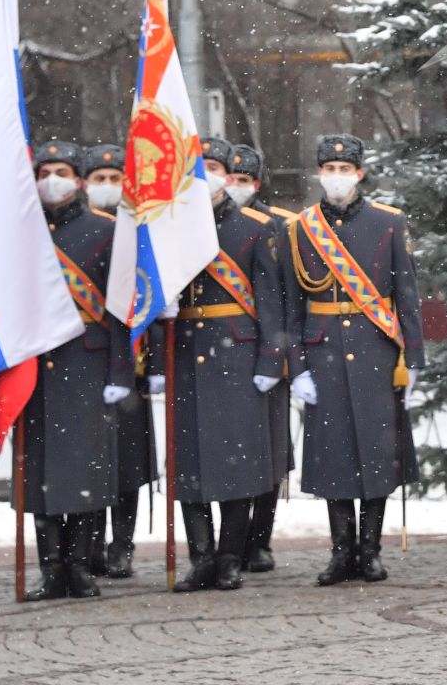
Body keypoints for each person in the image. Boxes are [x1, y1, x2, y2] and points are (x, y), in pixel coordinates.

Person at [285, 134, 423, 585]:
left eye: (346, 169)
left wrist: (413, 358)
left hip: (375, 349)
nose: (337, 177)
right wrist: (297, 364)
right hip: (322, 350)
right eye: (329, 169)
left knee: (377, 452)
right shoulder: (300, 228)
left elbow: (406, 296)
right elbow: (291, 304)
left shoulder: (388, 223)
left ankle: (371, 551)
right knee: (333, 454)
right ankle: (340, 552)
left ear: (359, 173)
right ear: (319, 173)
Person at [153, 137, 285, 592]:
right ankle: (200, 558)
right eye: (195, 167)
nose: (203, 174)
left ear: (228, 176)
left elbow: (271, 301)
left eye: (211, 167)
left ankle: (229, 558)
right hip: (187, 353)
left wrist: (271, 358)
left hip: (239, 355)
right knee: (187, 465)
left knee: (237, 464)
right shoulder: (170, 227)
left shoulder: (255, 228)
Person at [24, 138, 134, 600]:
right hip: (34, 364)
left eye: (63, 173)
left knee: (88, 470)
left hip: (88, 360)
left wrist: (120, 371)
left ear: (80, 181)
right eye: (45, 172)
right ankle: (51, 568)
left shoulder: (107, 232)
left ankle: (80, 565)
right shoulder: (20, 233)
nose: (53, 181)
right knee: (41, 473)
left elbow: (121, 312)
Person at [81, 141, 156, 580]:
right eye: (100, 179)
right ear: (86, 184)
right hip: (86, 365)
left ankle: (121, 545)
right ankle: (89, 545)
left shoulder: (140, 230)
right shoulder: (76, 231)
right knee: (90, 462)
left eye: (115, 179)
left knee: (127, 464)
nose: (108, 187)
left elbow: (154, 297)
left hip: (132, 362)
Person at [227, 142, 293, 574]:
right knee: (233, 451)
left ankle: (259, 541)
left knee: (269, 453)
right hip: (228, 350)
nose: (234, 188)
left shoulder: (280, 226)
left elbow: (289, 291)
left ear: (257, 184)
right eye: (228, 179)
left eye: (243, 181)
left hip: (273, 349)